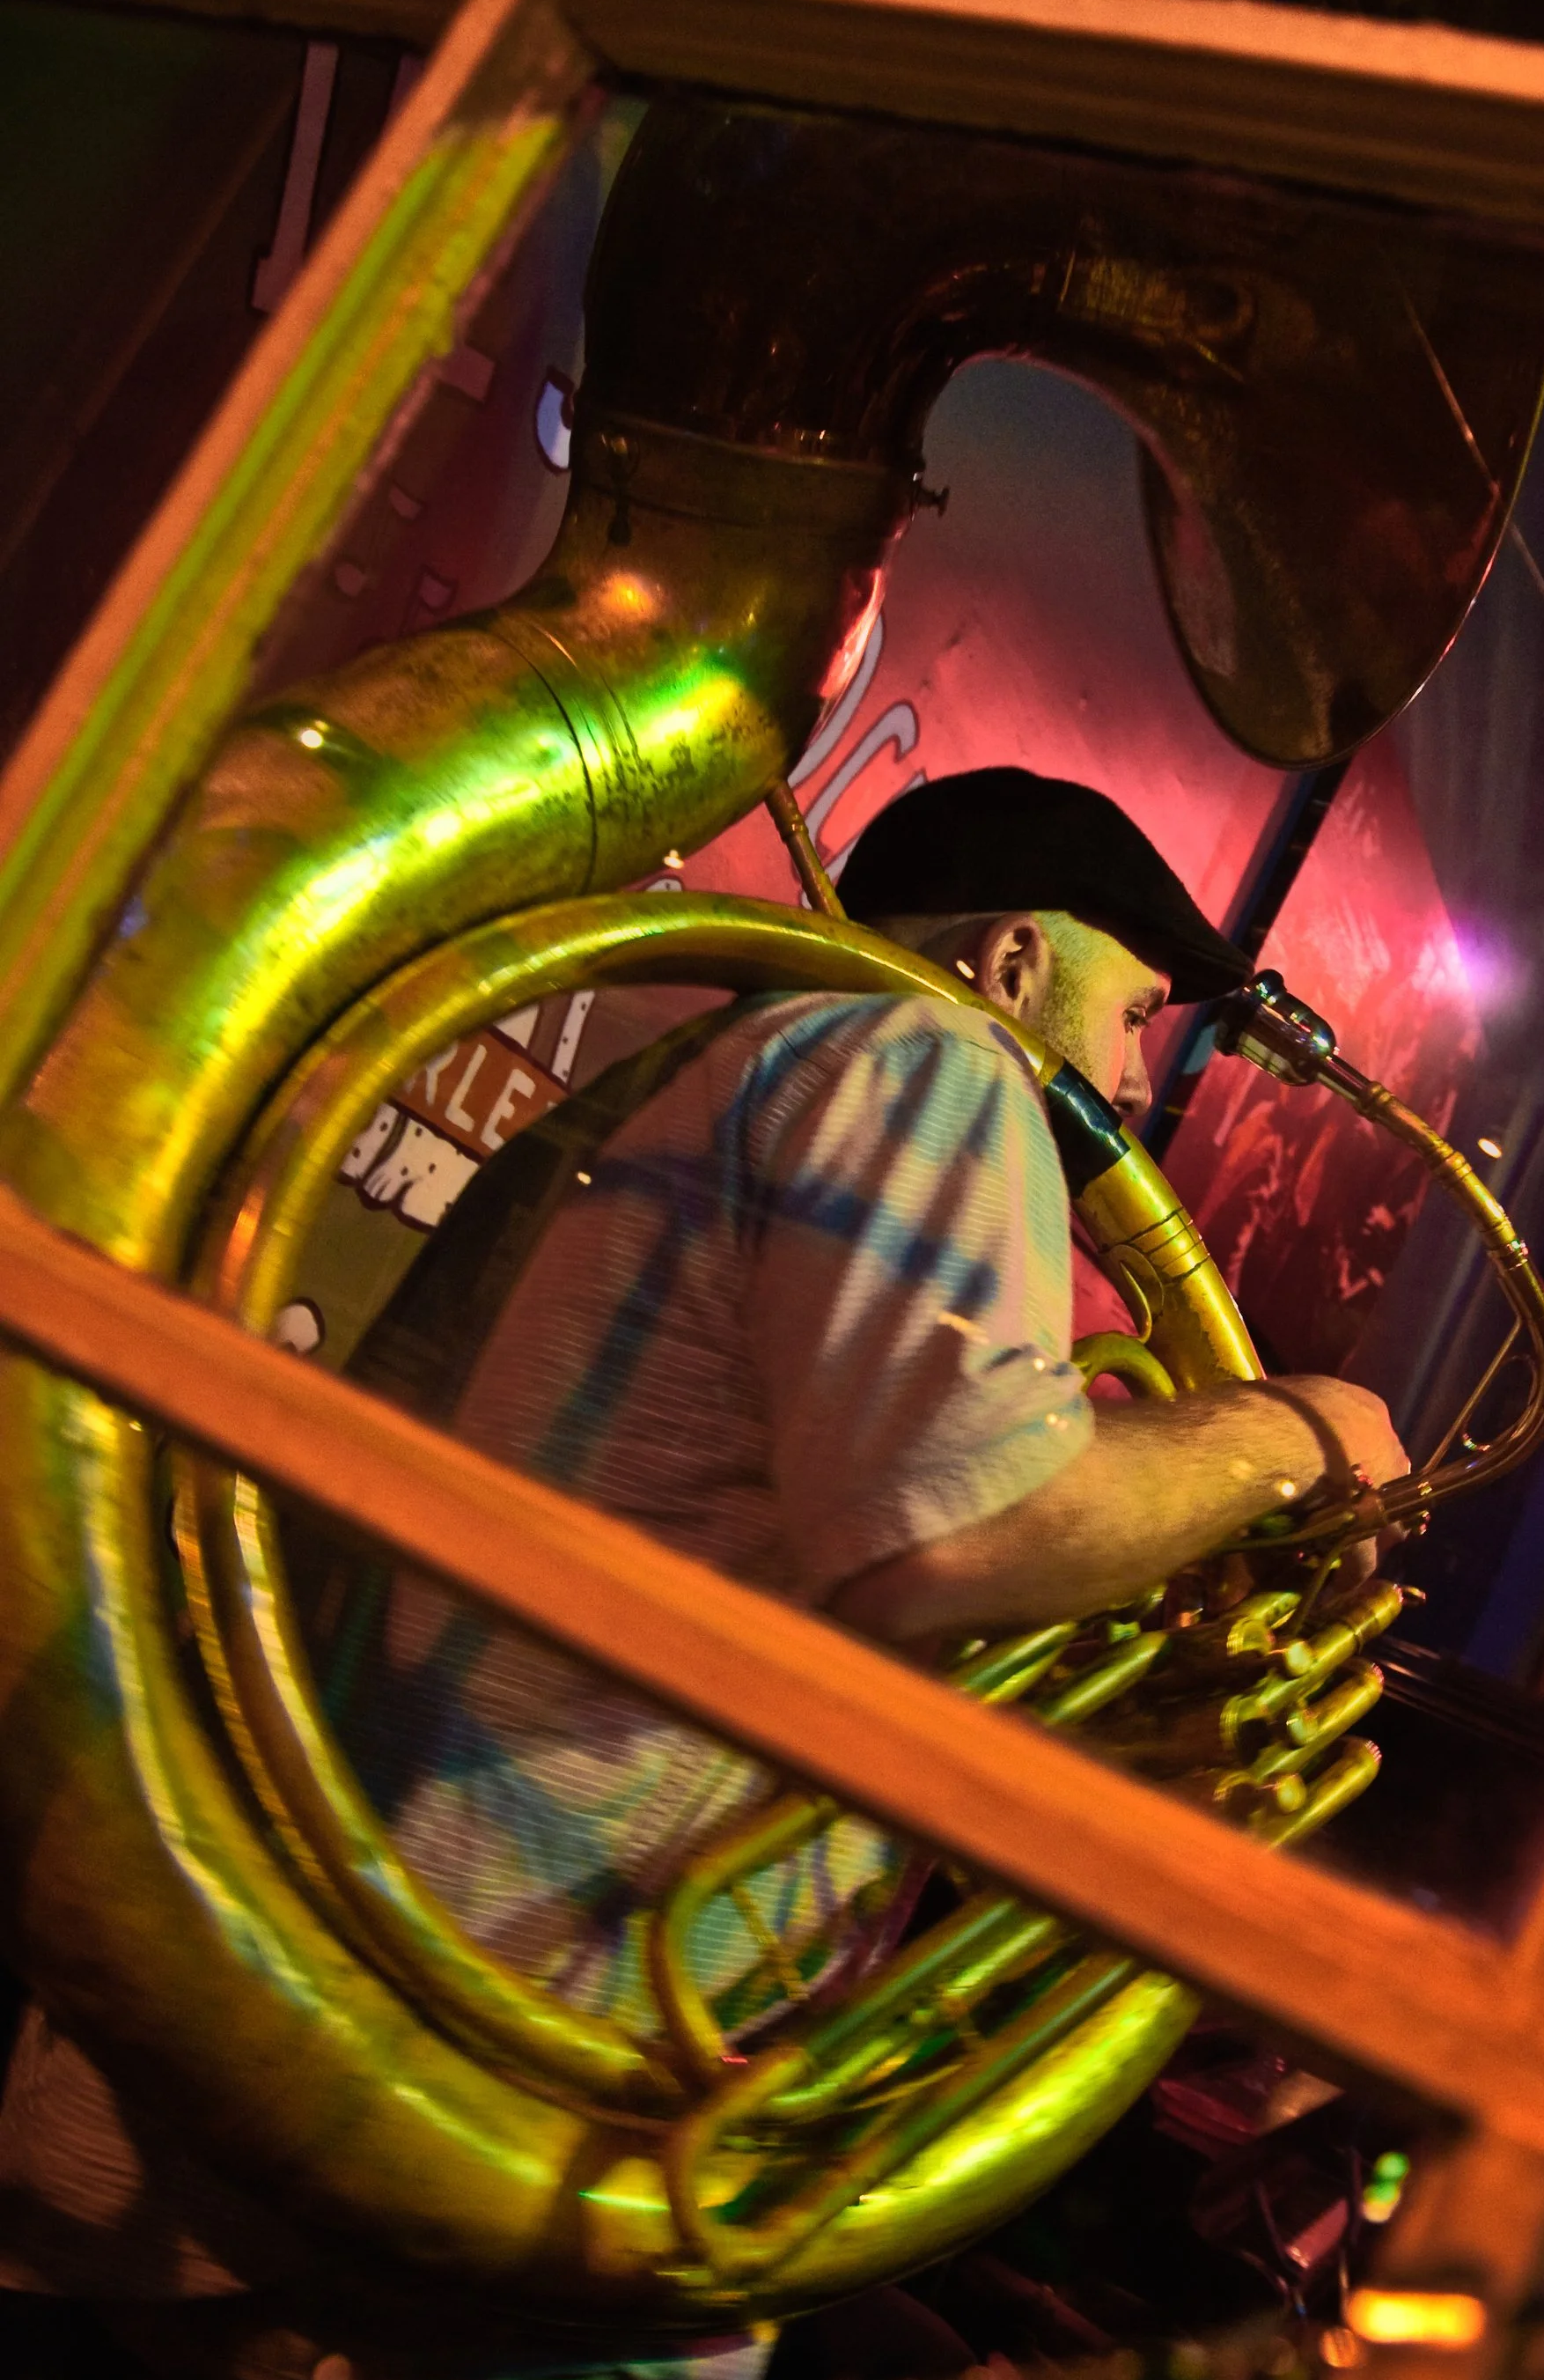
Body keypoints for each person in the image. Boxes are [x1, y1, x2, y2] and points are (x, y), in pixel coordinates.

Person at [0, 768, 1408, 2302]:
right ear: (1011, 962)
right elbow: (962, 1518)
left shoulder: (736, 1067)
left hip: (385, 2089)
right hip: (466, 2121)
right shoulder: (928, 1053)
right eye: (1134, 1013)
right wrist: (1295, 1434)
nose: (1136, 1083)